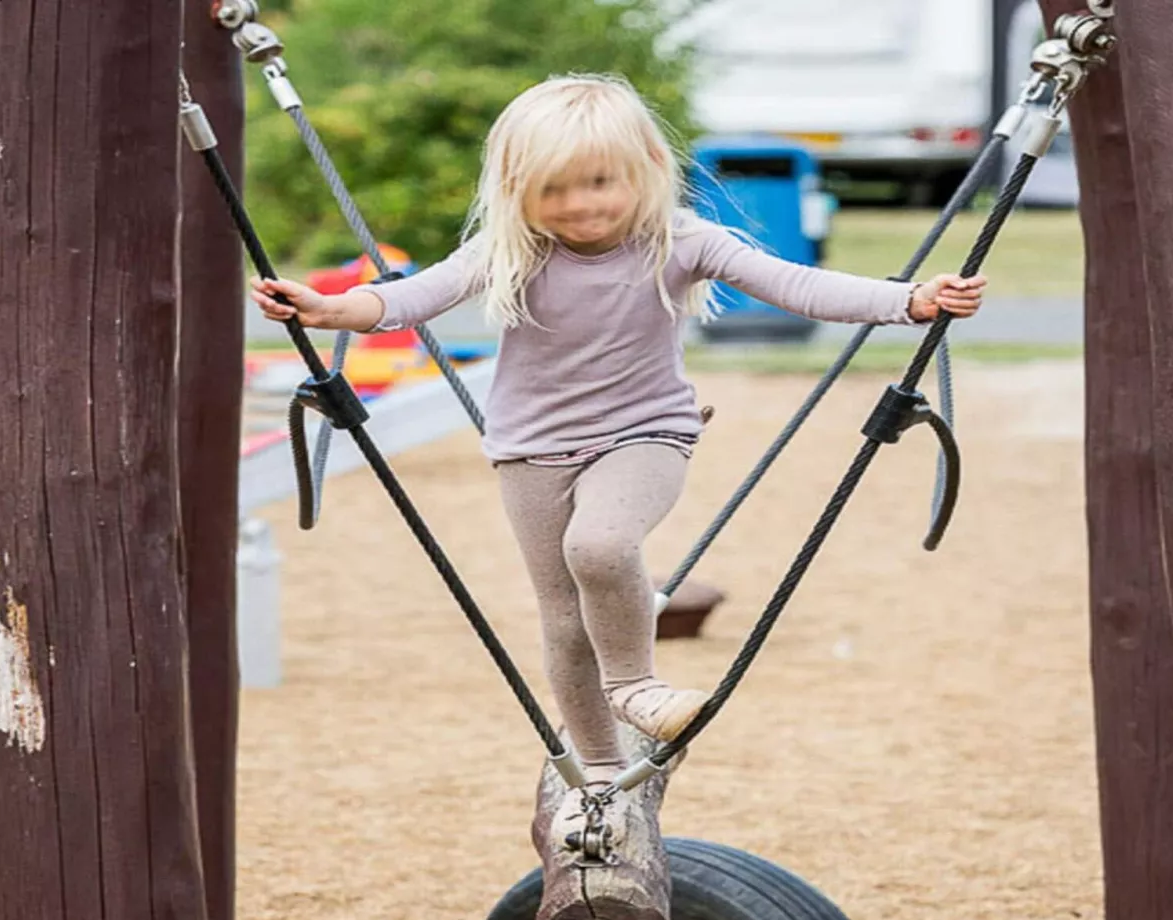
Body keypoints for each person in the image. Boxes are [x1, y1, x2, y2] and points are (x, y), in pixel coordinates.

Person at [250, 73, 987, 802]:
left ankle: (636, 686)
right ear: (517, 192)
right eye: (553, 190)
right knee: (565, 620)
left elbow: (798, 285)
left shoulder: (683, 239)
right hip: (530, 451)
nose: (578, 206)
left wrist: (910, 302)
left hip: (645, 433)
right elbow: (412, 295)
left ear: (647, 170)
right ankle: (601, 770)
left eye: (598, 182)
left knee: (599, 547)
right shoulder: (512, 247)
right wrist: (330, 308)